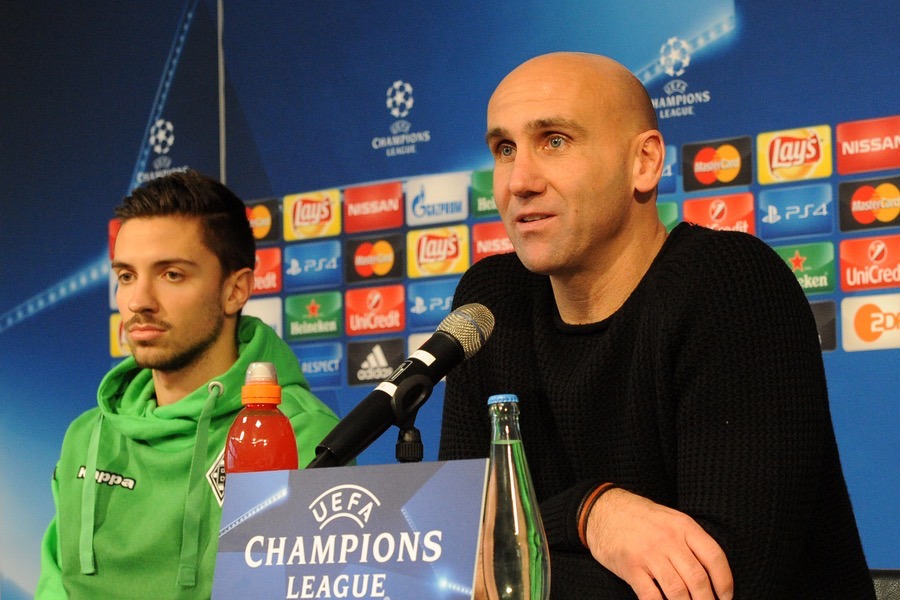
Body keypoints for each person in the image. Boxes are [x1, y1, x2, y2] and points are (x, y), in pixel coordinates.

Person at [438, 52, 876, 599]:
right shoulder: (491, 302)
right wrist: (589, 513)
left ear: (643, 162)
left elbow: (717, 583)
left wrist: (509, 559)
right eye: (505, 149)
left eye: (554, 141)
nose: (519, 181)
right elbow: (451, 548)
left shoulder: (730, 285)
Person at [36, 170, 340, 599]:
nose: (139, 301)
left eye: (171, 274)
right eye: (126, 276)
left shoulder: (297, 432)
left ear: (236, 291)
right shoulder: (87, 435)